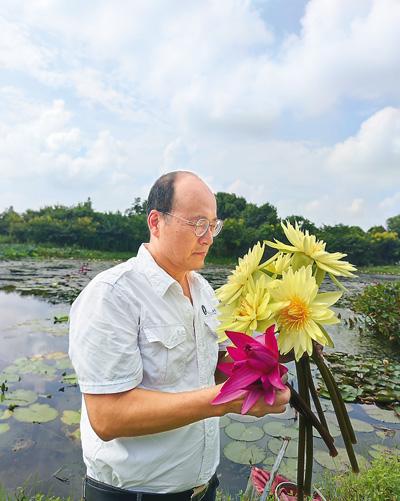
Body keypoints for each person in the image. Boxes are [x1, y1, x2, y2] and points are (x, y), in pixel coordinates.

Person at [68, 171, 291, 501]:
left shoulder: (204, 291)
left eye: (213, 225)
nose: (209, 238)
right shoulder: (112, 295)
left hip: (202, 488)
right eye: (198, 223)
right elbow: (108, 415)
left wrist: (278, 351)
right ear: (156, 222)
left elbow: (210, 366)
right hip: (132, 494)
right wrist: (225, 399)